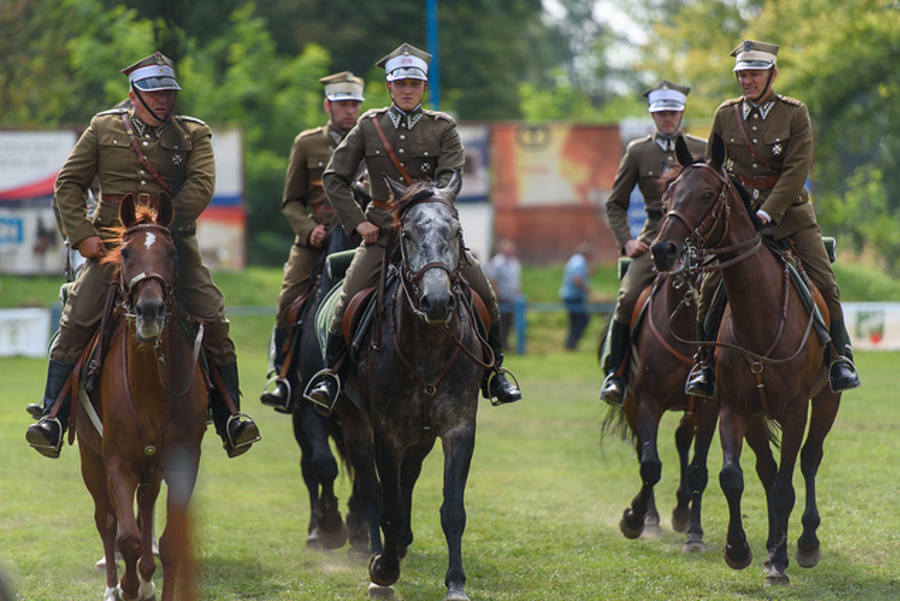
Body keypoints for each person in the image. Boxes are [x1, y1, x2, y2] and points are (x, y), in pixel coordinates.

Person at [25, 51, 260, 458]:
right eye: (153, 92)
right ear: (133, 95)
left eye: (169, 91)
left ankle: (230, 416)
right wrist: (81, 236)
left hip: (171, 242)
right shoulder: (102, 127)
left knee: (213, 316)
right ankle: (53, 415)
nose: (164, 100)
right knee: (78, 317)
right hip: (112, 245)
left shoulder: (193, 134)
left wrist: (161, 228)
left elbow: (202, 185)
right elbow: (68, 184)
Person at [305, 42, 522, 412]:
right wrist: (358, 223)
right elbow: (334, 178)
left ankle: (495, 372)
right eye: (400, 83)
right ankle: (332, 376)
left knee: (484, 293)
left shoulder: (443, 127)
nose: (407, 90)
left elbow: (450, 179)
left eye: (414, 84)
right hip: (381, 235)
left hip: (432, 238)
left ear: (424, 88)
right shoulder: (369, 126)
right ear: (389, 87)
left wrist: (424, 217)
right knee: (345, 302)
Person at [684, 40, 860, 398]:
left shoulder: (794, 113)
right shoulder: (725, 114)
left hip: (790, 216)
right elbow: (714, 170)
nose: (747, 81)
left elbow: (797, 171)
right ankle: (704, 366)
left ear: (772, 75)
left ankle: (839, 360)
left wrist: (767, 211)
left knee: (825, 283)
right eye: (742, 75)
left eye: (754, 74)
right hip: (739, 223)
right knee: (709, 290)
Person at [259, 71, 365, 412]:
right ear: (328, 106)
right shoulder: (307, 143)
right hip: (317, 239)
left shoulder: (374, 141)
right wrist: (308, 230)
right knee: (289, 300)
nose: (350, 111)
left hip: (363, 237)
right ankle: (282, 377)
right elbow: (290, 201)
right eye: (343, 104)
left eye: (354, 104)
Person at [599, 81, 707, 404]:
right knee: (628, 296)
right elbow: (614, 204)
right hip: (654, 239)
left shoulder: (702, 148)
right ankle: (615, 374)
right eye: (661, 113)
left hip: (697, 241)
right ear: (652, 114)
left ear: (682, 112)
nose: (667, 118)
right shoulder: (637, 151)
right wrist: (627, 242)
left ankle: (727, 370)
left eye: (672, 112)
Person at [487, 238, 521, 349]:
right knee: (501, 323)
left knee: (510, 323)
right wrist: (497, 294)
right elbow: (493, 280)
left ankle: (506, 344)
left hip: (512, 298)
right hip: (501, 298)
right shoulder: (497, 263)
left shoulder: (514, 262)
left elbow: (516, 279)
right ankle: (499, 345)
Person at [560, 242, 595, 351]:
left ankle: (571, 344)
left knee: (575, 321)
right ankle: (571, 344)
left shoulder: (575, 260)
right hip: (573, 297)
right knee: (582, 320)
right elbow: (577, 279)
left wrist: (590, 273)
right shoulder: (580, 262)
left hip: (570, 296)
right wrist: (587, 290)